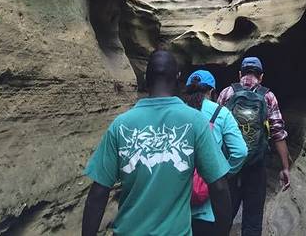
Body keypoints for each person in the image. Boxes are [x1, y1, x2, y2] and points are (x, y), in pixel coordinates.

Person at [82, 50, 232, 236]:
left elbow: (98, 193)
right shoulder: (195, 122)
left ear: (146, 78)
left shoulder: (121, 125)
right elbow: (219, 186)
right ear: (178, 77)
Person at [218, 57, 290, 236]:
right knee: (253, 219)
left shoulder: (227, 93)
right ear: (261, 77)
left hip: (229, 165)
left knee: (223, 216)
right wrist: (285, 167)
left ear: (240, 74)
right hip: (256, 166)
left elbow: (215, 129)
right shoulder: (268, 96)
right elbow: (277, 132)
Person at [182, 69, 248, 235]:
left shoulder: (177, 112)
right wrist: (223, 173)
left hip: (178, 205)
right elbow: (240, 151)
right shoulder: (221, 113)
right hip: (208, 207)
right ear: (212, 91)